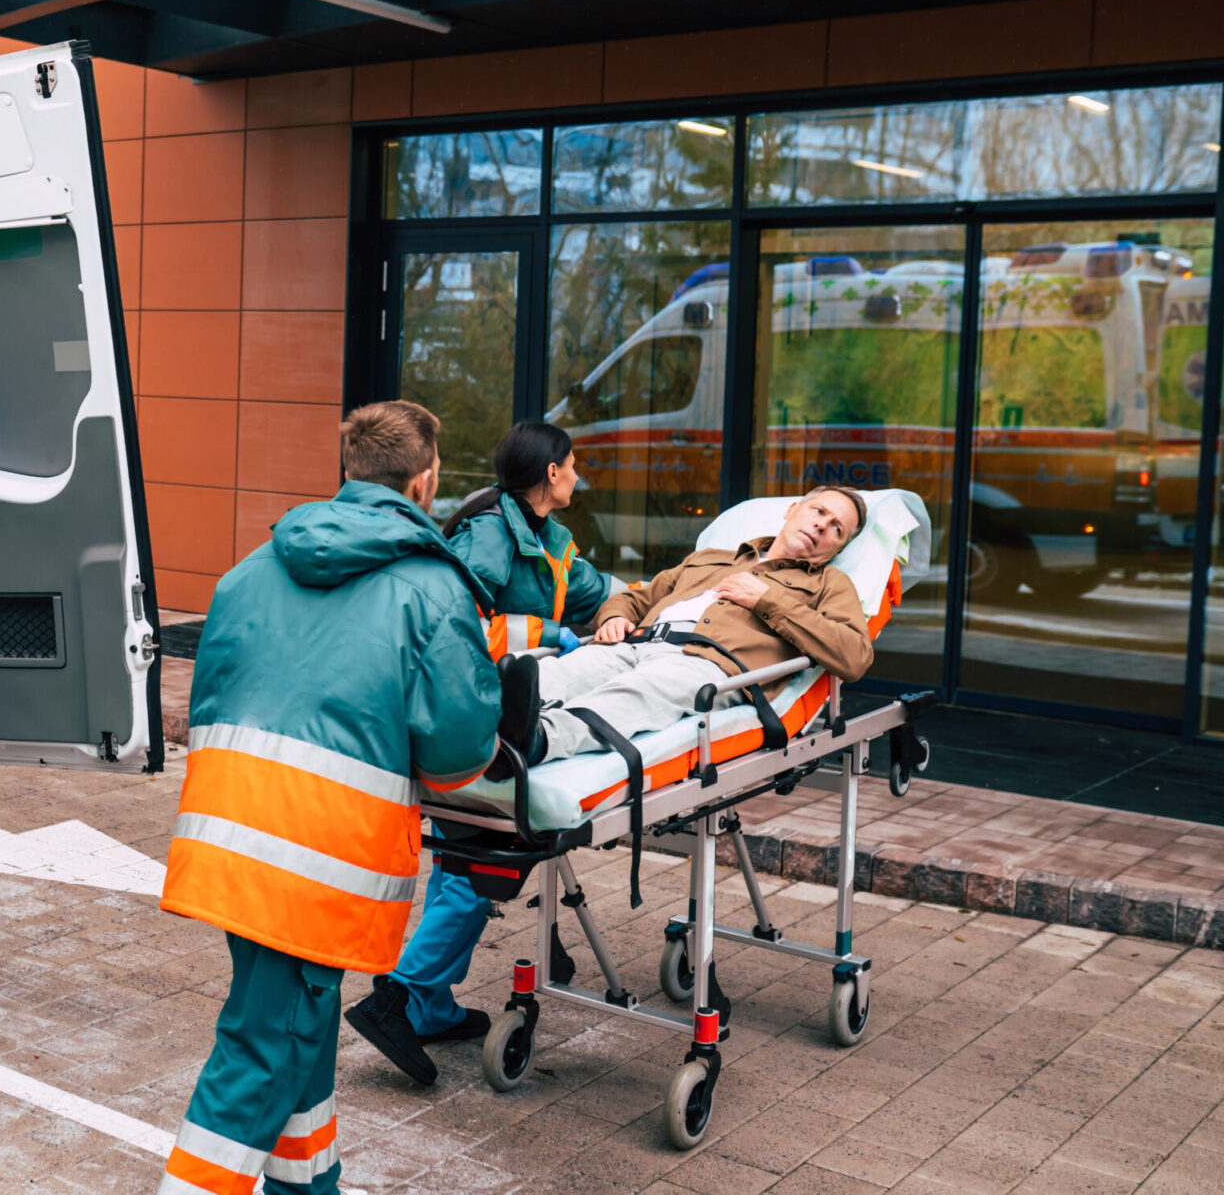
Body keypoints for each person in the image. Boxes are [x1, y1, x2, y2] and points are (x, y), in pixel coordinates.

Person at [158, 400, 503, 1195]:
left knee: (295, 1033)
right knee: (265, 1049)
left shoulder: (249, 571)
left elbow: (213, 698)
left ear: (348, 471)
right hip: (319, 858)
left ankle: (308, 1185)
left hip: (231, 838)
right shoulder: (430, 587)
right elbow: (454, 758)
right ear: (427, 480)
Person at [344, 422, 609, 1086]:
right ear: (551, 472)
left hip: (503, 712)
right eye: (572, 465)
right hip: (465, 715)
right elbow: (455, 620)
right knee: (481, 860)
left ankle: (428, 1004)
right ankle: (398, 998)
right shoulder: (489, 532)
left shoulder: (544, 537)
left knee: (467, 857)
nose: (577, 476)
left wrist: (647, 601)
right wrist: (547, 633)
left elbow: (590, 589)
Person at [516, 485, 875, 768]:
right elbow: (635, 598)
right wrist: (613, 618)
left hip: (705, 666)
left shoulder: (830, 584)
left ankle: (536, 740)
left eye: (836, 529)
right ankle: (481, 722)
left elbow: (855, 656)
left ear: (836, 548)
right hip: (633, 645)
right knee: (549, 674)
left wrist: (766, 600)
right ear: (792, 510)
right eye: (819, 511)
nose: (822, 525)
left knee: (635, 693)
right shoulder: (710, 559)